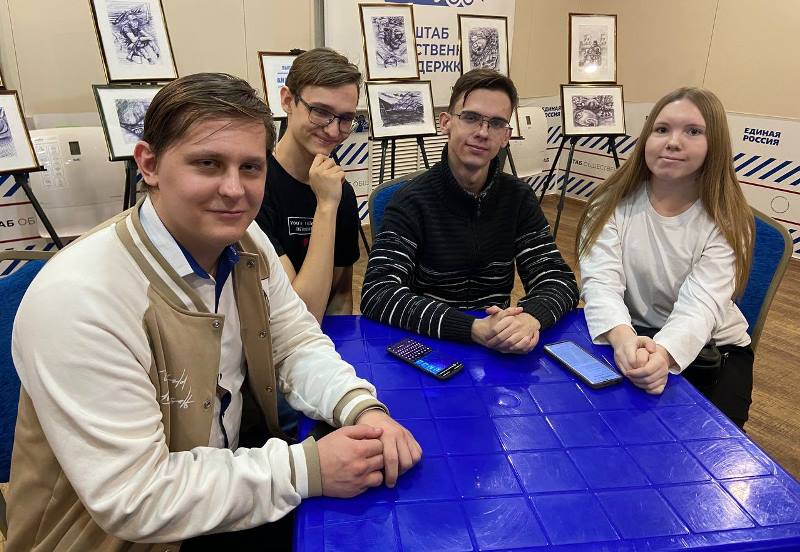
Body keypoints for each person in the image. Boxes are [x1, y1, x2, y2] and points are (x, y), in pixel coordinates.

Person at [7, 73, 421, 550]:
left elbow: (296, 342)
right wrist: (307, 469)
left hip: (221, 495)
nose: (234, 189)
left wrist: (360, 407)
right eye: (208, 163)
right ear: (149, 164)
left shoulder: (247, 242)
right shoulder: (80, 298)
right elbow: (135, 498)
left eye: (251, 167)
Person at [361, 69, 579, 354]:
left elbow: (558, 280)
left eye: (496, 123)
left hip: (498, 343)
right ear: (446, 123)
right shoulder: (410, 201)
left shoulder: (518, 198)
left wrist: (528, 318)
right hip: (430, 342)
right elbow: (378, 293)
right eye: (471, 117)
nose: (482, 132)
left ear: (506, 136)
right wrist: (472, 329)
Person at [577, 86, 754, 428]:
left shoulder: (729, 220)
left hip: (712, 348)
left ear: (715, 145)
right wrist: (624, 341)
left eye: (693, 131)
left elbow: (700, 306)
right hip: (629, 332)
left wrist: (663, 355)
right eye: (661, 129)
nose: (673, 142)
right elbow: (601, 284)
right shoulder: (608, 204)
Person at [255, 48, 361, 323]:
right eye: (320, 112)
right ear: (287, 100)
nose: (333, 130)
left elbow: (340, 296)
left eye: (345, 118)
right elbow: (300, 315)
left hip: (320, 343)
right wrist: (326, 206)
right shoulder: (255, 187)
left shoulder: (341, 191)